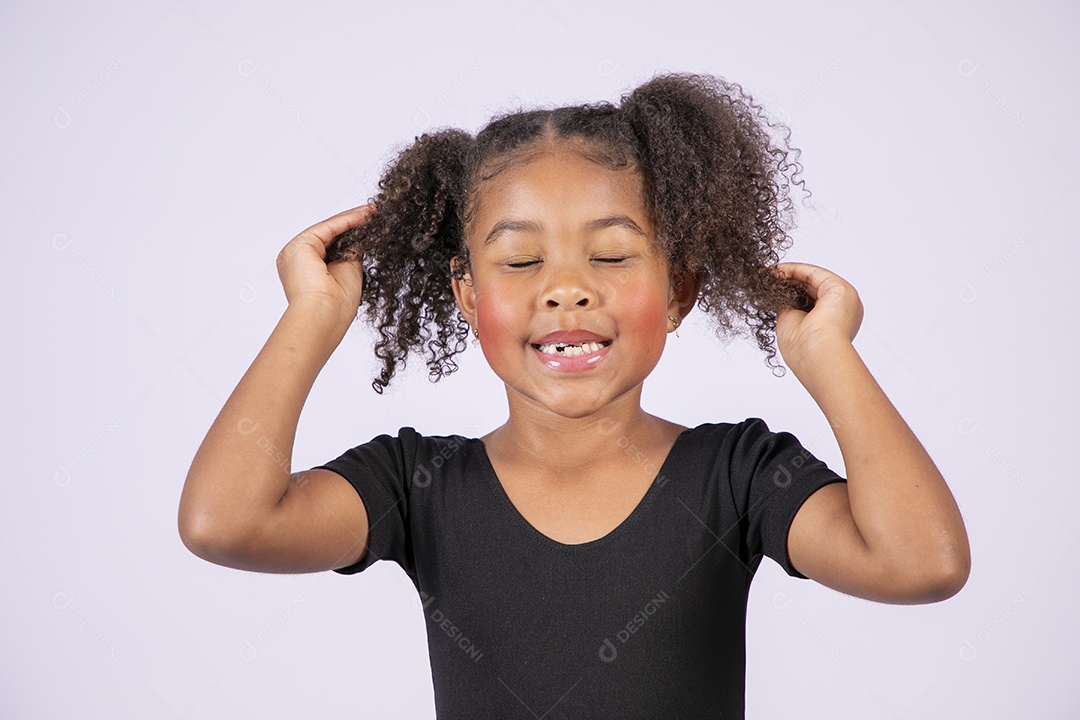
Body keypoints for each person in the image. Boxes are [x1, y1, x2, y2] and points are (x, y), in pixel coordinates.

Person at [178, 72, 970, 718]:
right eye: (521, 262)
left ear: (680, 290)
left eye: (614, 256)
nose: (566, 290)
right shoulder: (417, 487)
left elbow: (922, 564)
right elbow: (225, 524)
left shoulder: (737, 475)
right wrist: (315, 314)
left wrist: (825, 353)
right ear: (464, 294)